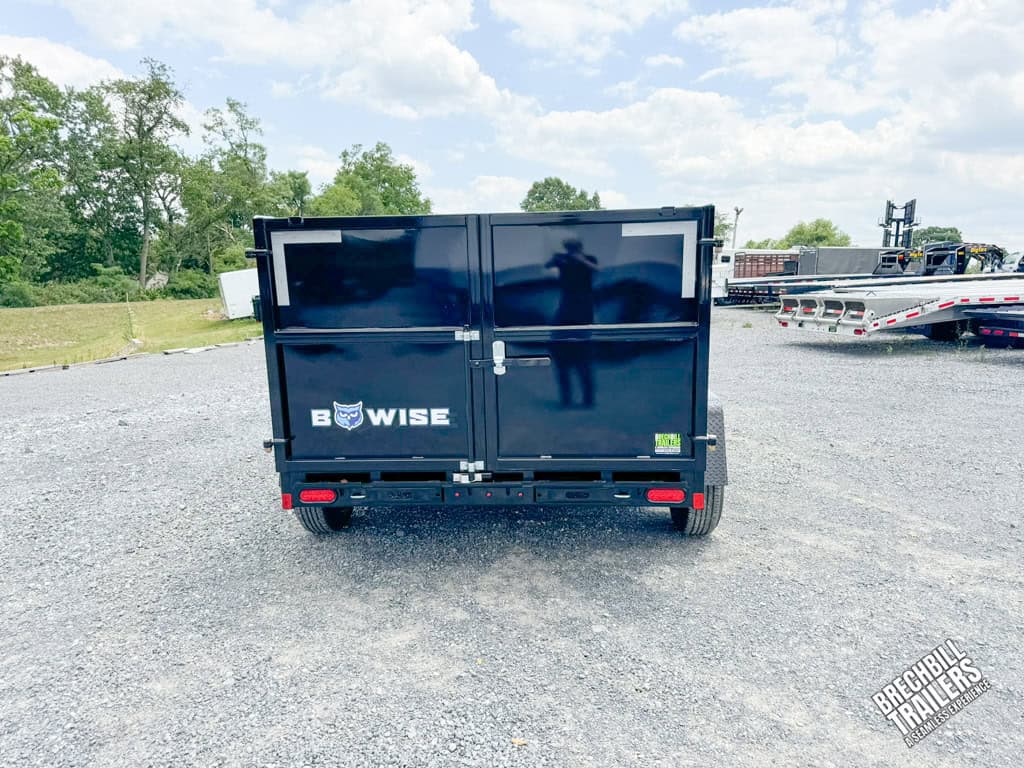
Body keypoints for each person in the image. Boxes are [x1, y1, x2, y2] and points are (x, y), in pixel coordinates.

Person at [545, 239, 599, 407]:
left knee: (583, 361)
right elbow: (548, 266)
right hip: (566, 311)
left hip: (582, 313)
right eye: (569, 249)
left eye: (573, 248)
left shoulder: (589, 259)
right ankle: (566, 399)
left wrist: (580, 259)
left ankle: (587, 399)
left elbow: (597, 269)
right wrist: (560, 259)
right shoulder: (563, 260)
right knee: (563, 360)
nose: (571, 251)